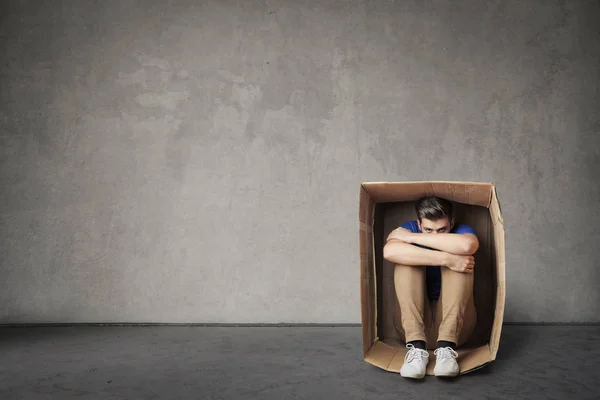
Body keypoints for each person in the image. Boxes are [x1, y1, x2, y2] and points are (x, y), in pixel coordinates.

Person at [383, 195, 478, 379]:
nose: (435, 235)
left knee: (462, 262)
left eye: (442, 230)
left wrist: (411, 239)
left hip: (458, 329)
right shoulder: (408, 227)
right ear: (419, 225)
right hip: (411, 329)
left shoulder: (460, 230)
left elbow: (468, 244)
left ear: (451, 223)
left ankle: (447, 350)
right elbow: (389, 251)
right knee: (405, 262)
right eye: (428, 230)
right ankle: (417, 351)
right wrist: (448, 259)